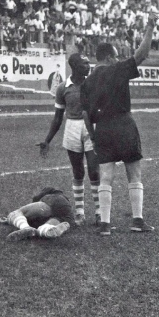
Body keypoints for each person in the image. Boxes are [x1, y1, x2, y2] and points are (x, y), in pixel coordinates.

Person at [80, 8, 158, 235]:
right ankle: (137, 220)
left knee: (106, 176)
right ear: (108, 57)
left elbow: (85, 115)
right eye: (114, 55)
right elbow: (141, 55)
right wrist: (150, 26)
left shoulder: (87, 83)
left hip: (102, 128)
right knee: (134, 173)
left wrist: (93, 136)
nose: (116, 58)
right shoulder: (116, 70)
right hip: (124, 125)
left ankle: (104, 224)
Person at [38, 53, 100, 227]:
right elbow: (58, 118)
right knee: (78, 171)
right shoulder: (63, 87)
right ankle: (80, 212)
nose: (88, 66)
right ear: (74, 66)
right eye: (84, 63)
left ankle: (99, 212)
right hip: (72, 128)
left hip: (91, 128)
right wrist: (47, 140)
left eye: (89, 63)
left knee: (94, 171)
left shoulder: (93, 84)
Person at [0, 187, 74, 241]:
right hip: (68, 214)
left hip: (54, 201)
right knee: (47, 225)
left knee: (17, 213)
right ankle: (47, 230)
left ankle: (25, 227)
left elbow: (35, 199)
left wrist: (12, 220)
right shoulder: (66, 201)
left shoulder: (52, 192)